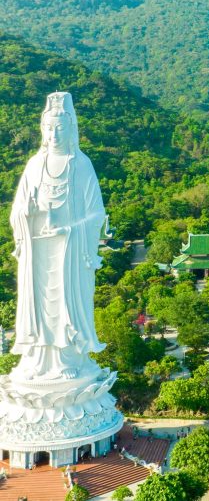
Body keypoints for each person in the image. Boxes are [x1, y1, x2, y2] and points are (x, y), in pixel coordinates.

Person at [9, 93, 105, 382]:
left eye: (60, 127)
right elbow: (17, 211)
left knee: (64, 303)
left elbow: (96, 214)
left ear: (71, 129)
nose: (54, 134)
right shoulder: (34, 166)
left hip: (69, 252)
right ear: (42, 129)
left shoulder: (81, 165)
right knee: (38, 305)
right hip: (38, 250)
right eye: (49, 128)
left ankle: (67, 357)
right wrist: (26, 213)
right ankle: (38, 360)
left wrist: (70, 230)